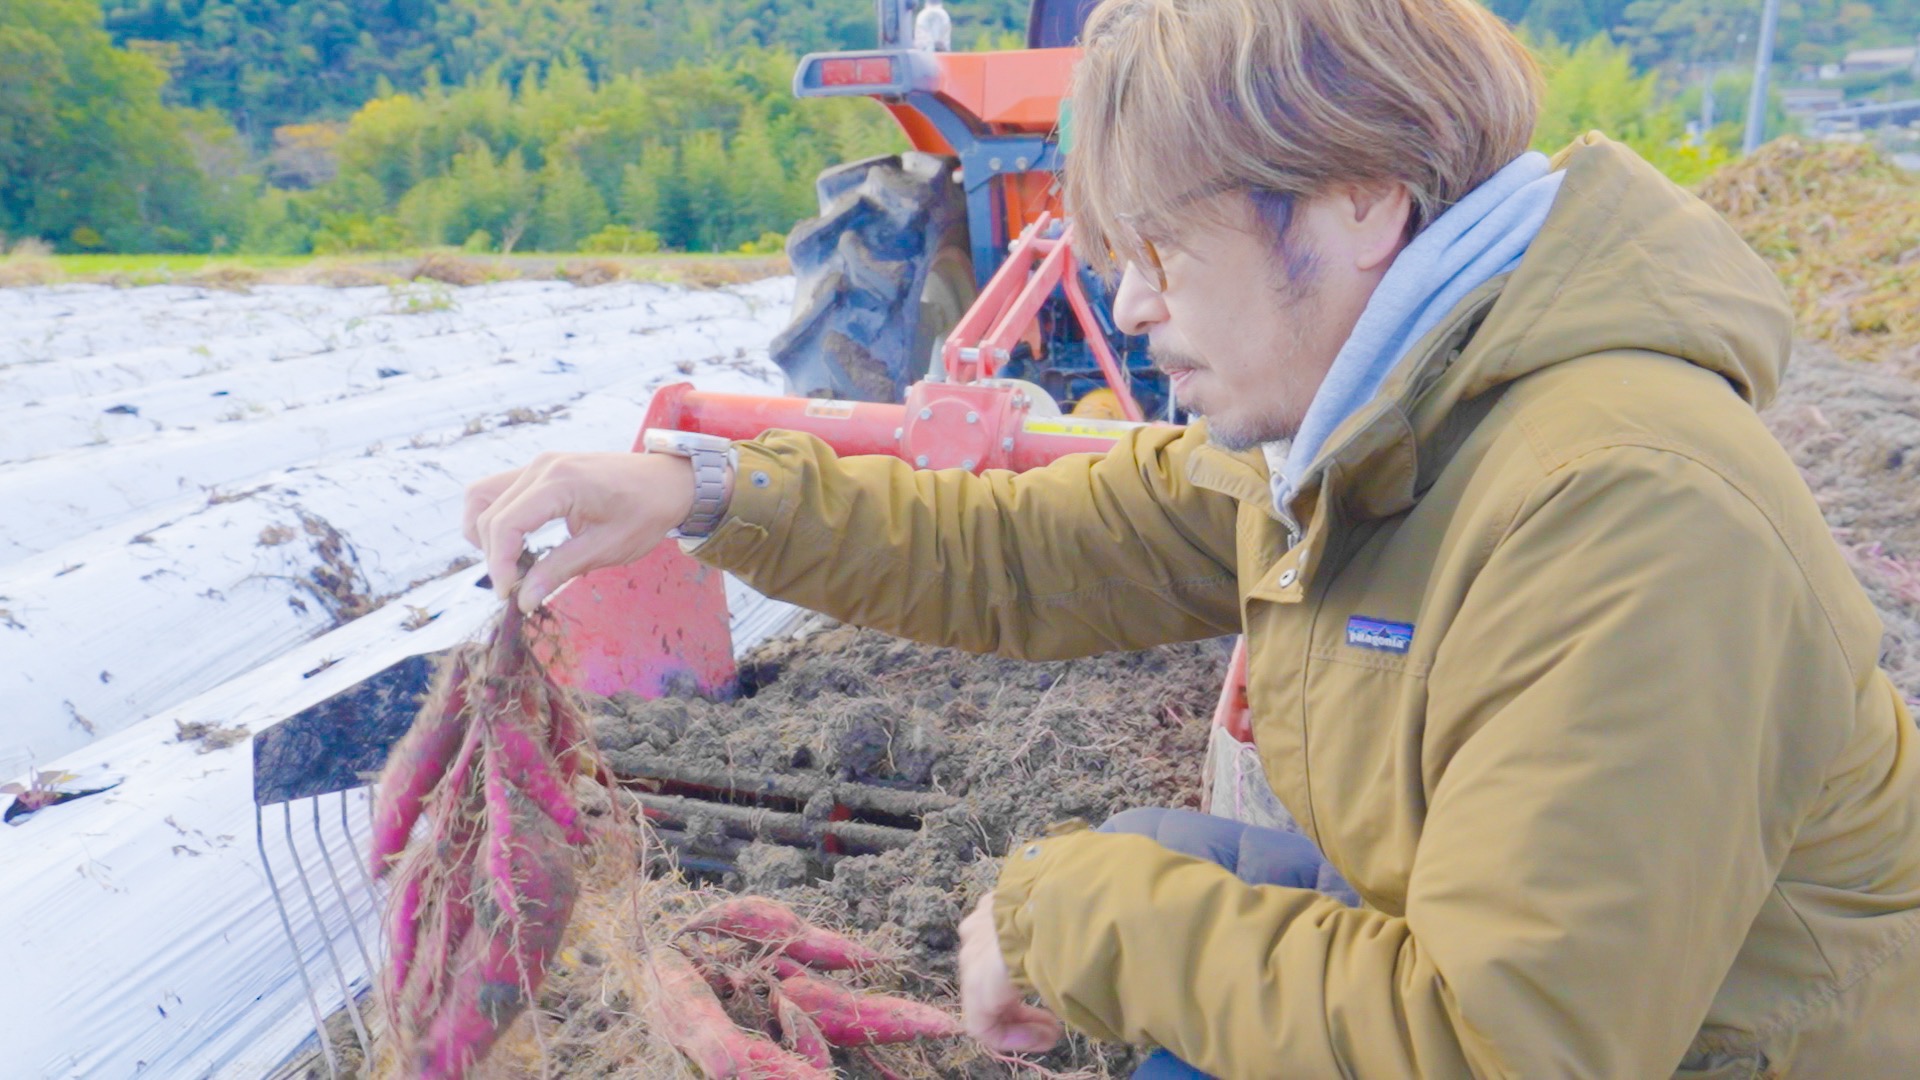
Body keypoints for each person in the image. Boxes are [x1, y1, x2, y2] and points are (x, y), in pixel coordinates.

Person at [463, 0, 1920, 1074]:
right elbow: (1020, 546)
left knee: (1138, 911)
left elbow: (1506, 1047)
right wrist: (709, 494)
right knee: (1170, 874)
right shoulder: (1380, 426)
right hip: (1596, 1004)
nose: (1141, 312)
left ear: (1357, 202)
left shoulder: (1624, 510)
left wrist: (1061, 915)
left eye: (1164, 252)